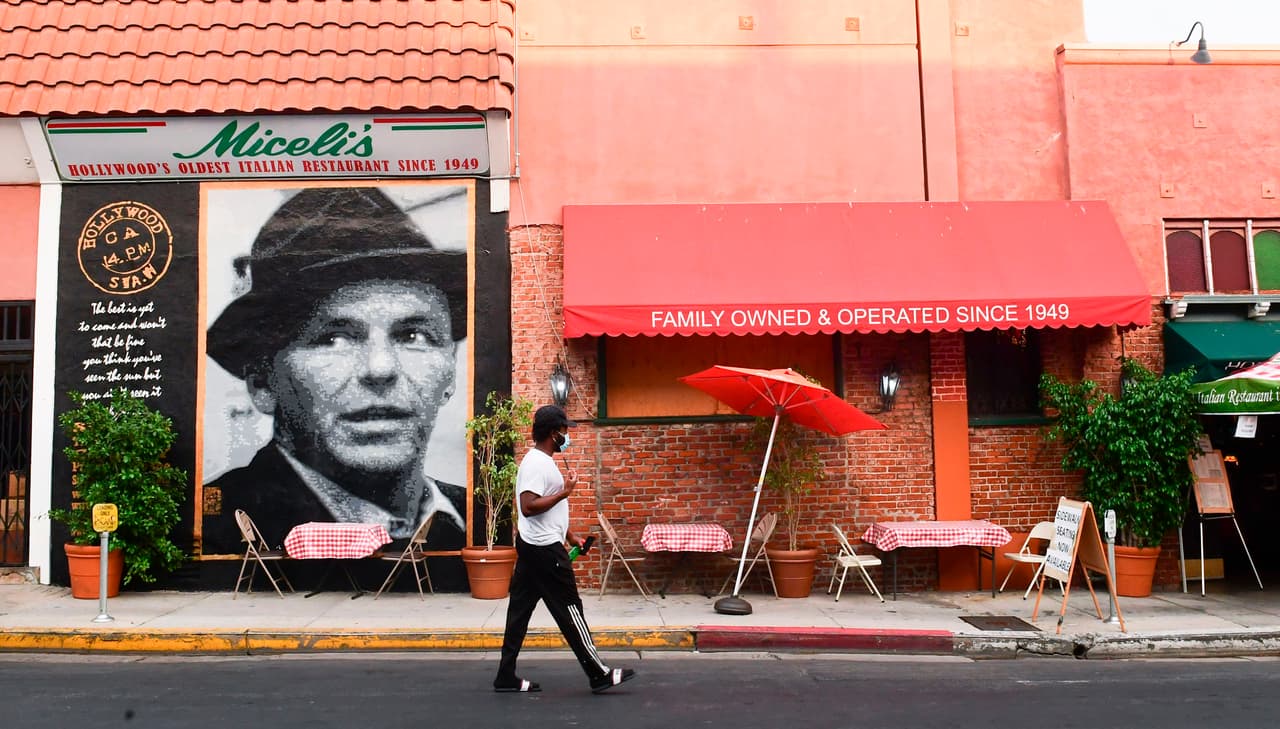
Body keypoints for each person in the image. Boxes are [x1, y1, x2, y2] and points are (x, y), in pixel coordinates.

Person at [201, 187, 469, 554]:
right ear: (262, 381)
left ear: (450, 369)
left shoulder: (474, 512)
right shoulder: (222, 528)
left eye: (414, 335)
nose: (380, 368)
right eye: (333, 339)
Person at [494, 404, 636, 694]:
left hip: (536, 546)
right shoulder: (536, 464)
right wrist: (565, 492)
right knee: (571, 610)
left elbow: (549, 512)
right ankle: (599, 673)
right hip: (545, 553)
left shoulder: (544, 461)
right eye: (563, 431)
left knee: (519, 612)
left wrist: (571, 538)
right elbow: (529, 506)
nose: (566, 435)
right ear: (552, 433)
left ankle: (505, 676)